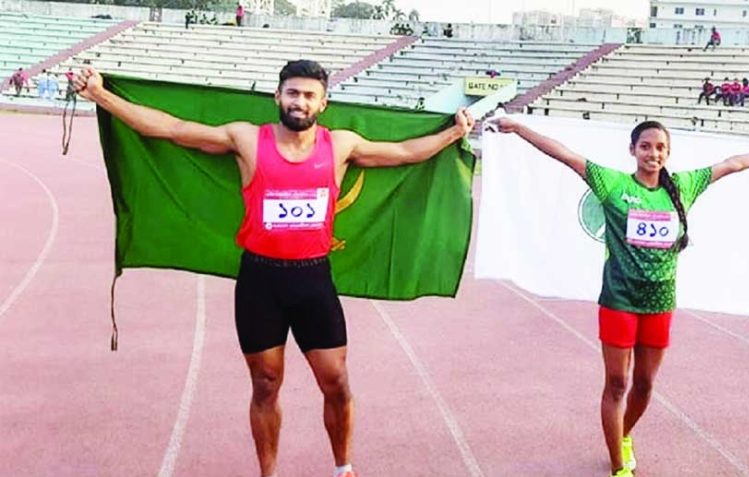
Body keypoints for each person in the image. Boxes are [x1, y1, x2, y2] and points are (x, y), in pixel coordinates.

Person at [73, 60, 474, 477]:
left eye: (309, 95)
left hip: (313, 279)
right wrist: (101, 95)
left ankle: (343, 467)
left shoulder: (340, 146)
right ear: (278, 96)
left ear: (323, 103)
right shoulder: (246, 139)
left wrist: (454, 132)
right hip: (260, 282)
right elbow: (170, 128)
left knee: (335, 381)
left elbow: (406, 153)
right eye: (293, 93)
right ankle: (268, 472)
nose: (300, 102)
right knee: (265, 384)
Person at [488, 117, 749, 477]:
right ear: (633, 150)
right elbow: (565, 156)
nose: (653, 153)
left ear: (668, 153)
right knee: (617, 383)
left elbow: (732, 165)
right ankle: (620, 467)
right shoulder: (612, 183)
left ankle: (623, 435)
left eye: (660, 147)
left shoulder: (683, 185)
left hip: (660, 303)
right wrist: (519, 129)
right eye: (645, 146)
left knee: (645, 385)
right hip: (619, 300)